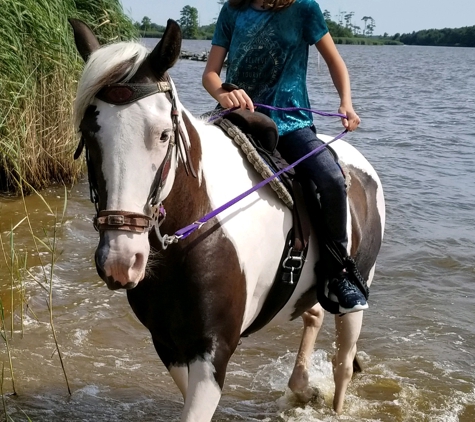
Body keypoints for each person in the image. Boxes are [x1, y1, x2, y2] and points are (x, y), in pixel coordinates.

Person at [202, 0, 366, 313]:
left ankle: (336, 275)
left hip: (290, 126)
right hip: (237, 118)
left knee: (331, 179)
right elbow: (210, 73)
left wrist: (346, 101)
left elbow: (335, 62)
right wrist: (222, 94)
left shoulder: (305, 9)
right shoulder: (233, 10)